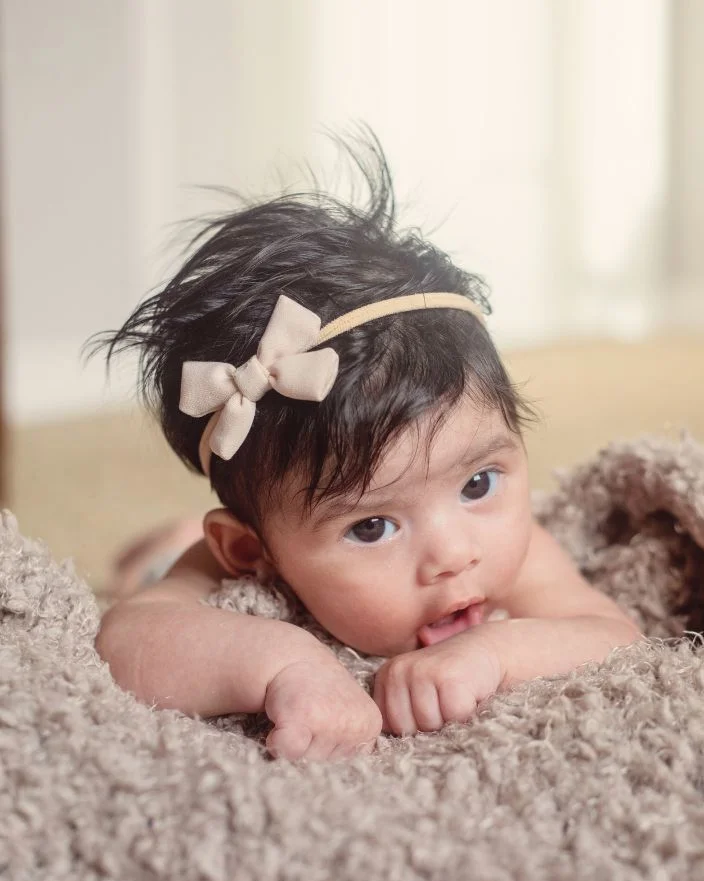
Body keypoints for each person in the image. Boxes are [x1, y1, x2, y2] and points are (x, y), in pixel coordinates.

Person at [94, 137, 640, 761]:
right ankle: (164, 542)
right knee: (150, 570)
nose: (454, 555)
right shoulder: (237, 565)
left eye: (477, 484)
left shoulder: (512, 557)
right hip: (177, 566)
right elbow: (126, 639)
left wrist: (493, 653)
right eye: (374, 525)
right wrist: (283, 664)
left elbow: (610, 635)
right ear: (254, 550)